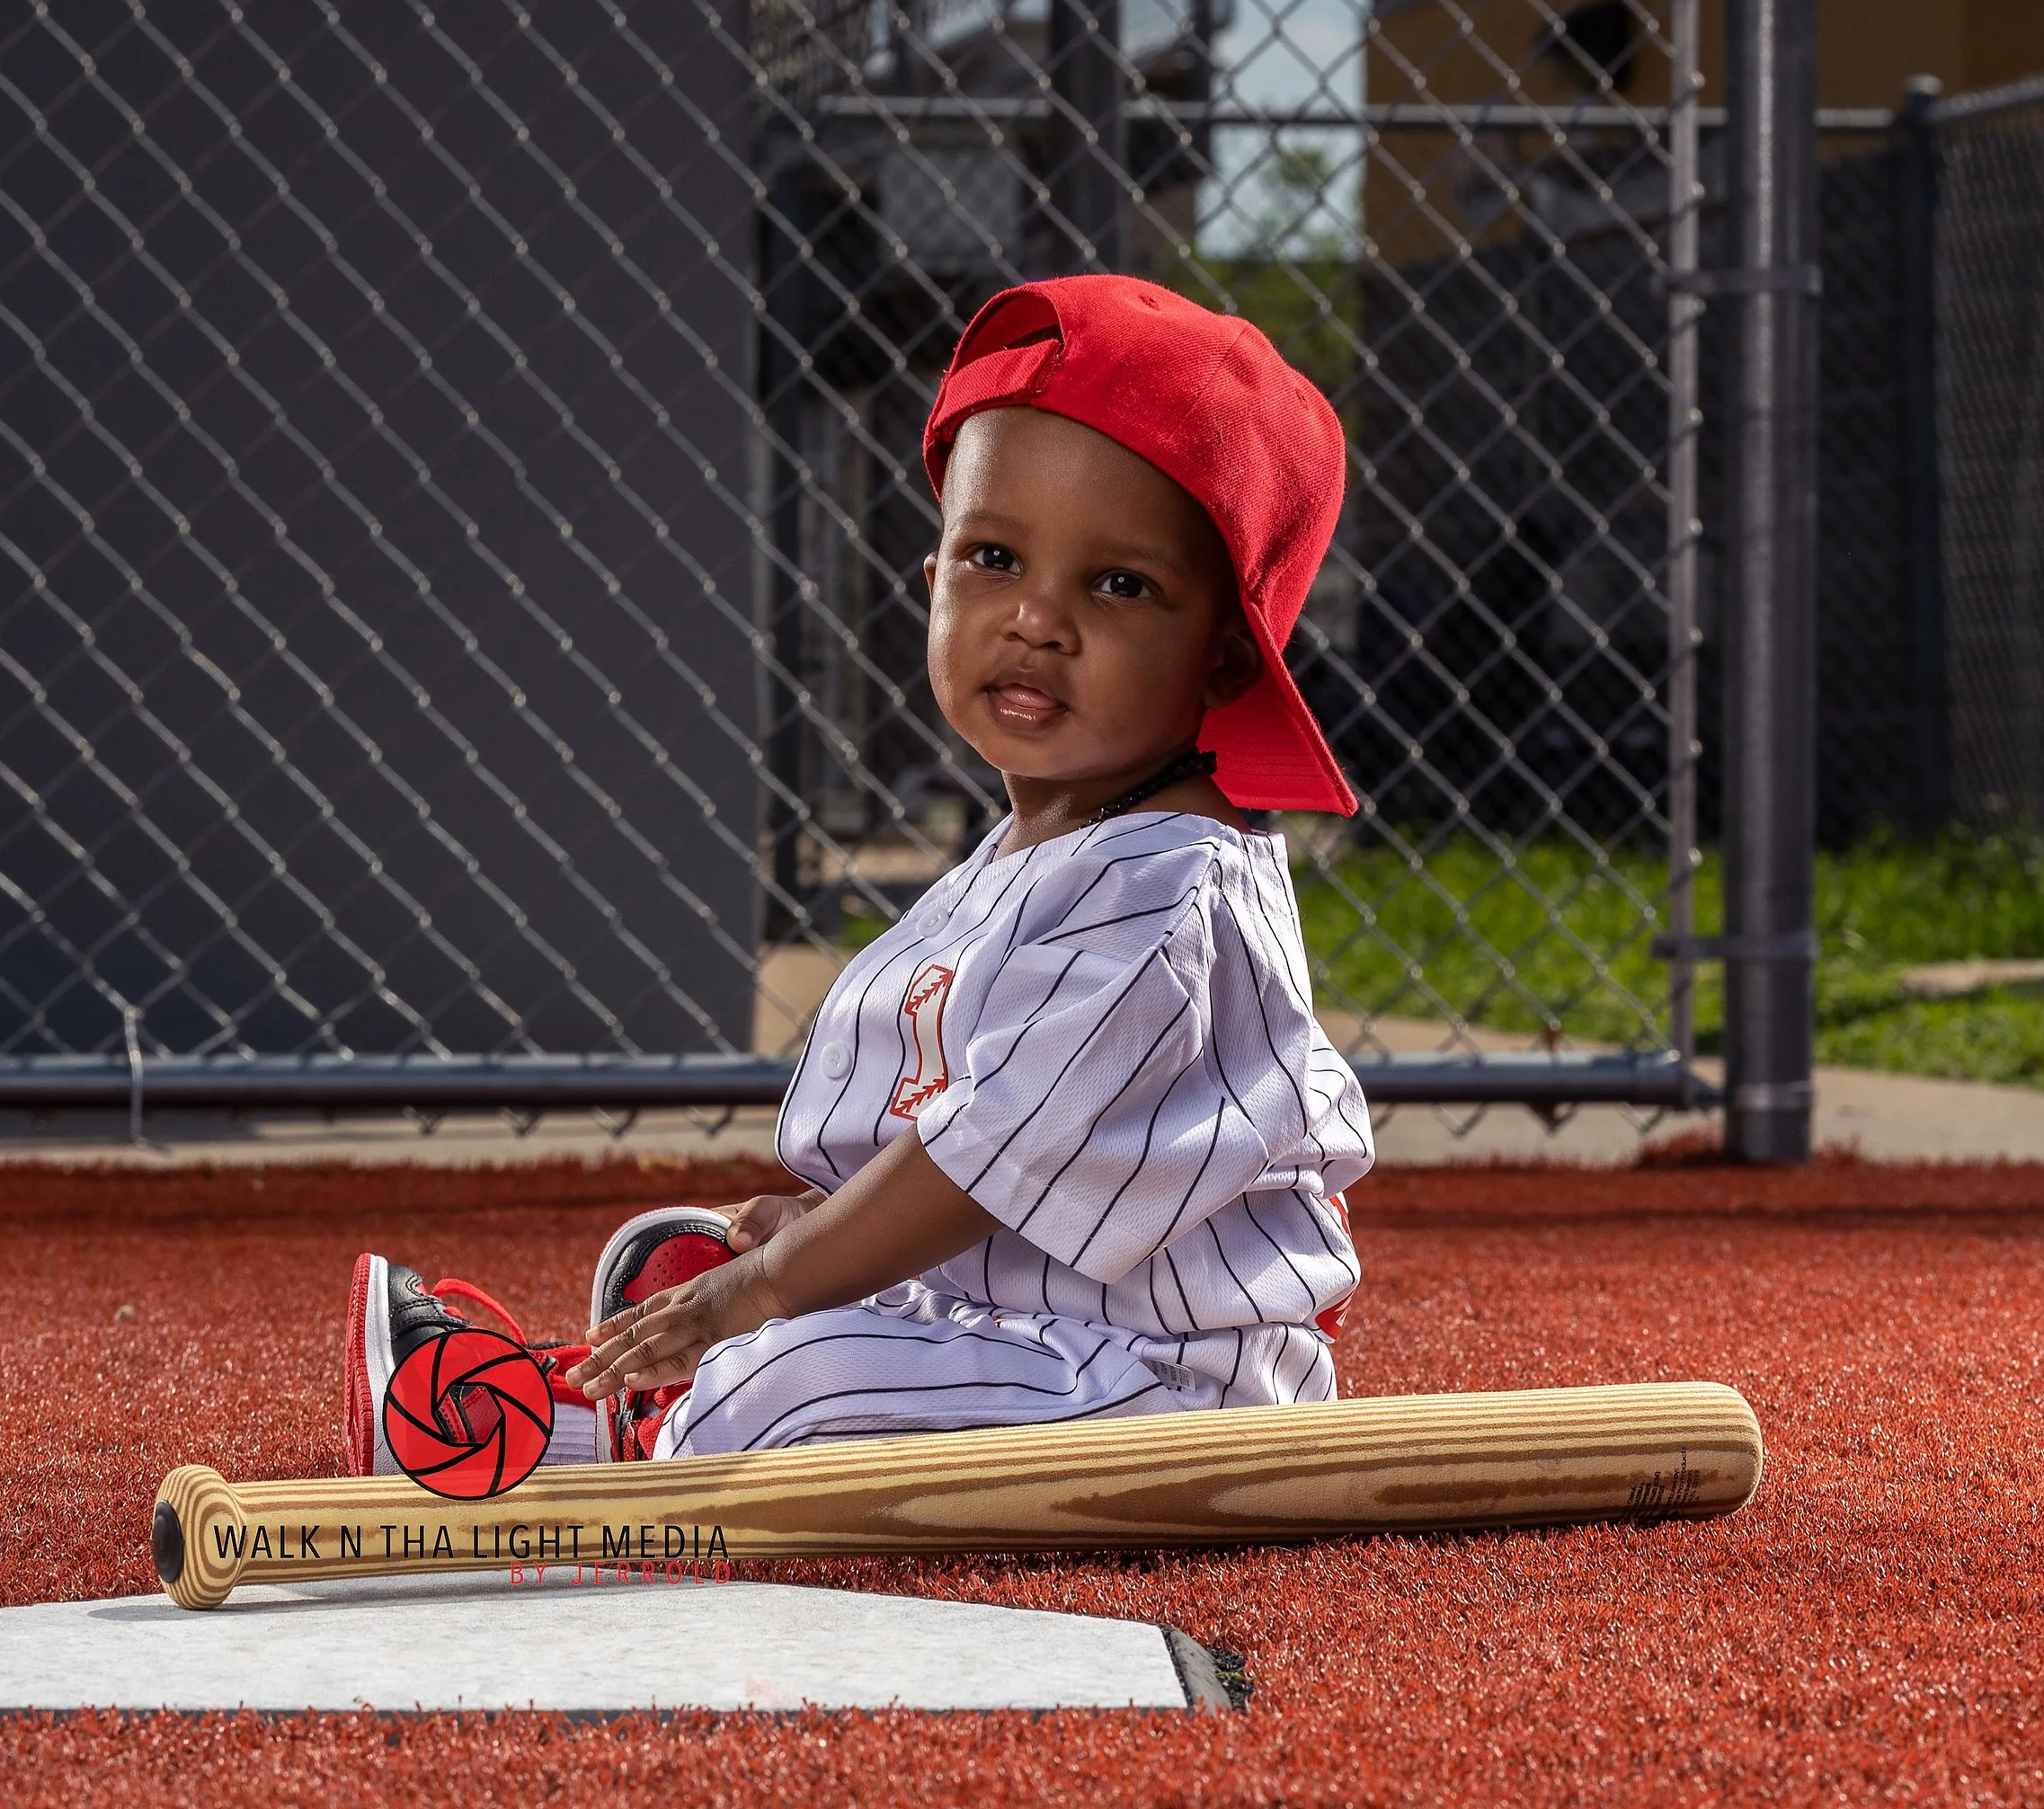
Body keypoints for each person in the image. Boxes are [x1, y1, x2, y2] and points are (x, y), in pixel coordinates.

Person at [344, 273, 1373, 1480]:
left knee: (789, 1366)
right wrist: (808, 1243)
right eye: (995, 556)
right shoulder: (1050, 842)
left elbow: (984, 1154)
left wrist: (776, 1285)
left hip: (1173, 1383)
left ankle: (564, 1441)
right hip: (1033, 1330)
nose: (1038, 619)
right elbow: (980, 1170)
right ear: (931, 582)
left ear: (1222, 658)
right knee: (736, 1275)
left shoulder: (1170, 896)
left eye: (1120, 584)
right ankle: (643, 1396)